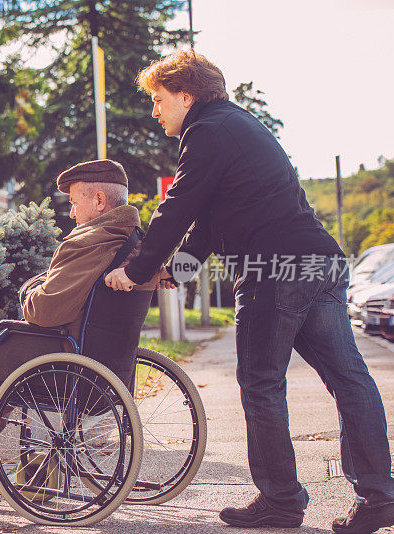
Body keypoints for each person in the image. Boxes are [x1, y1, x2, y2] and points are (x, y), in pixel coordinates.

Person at [105, 49, 394, 533]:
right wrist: (178, 269)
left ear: (185, 94)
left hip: (275, 271)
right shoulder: (238, 126)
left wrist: (136, 270)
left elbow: (177, 207)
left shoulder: (208, 131)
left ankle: (280, 501)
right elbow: (211, 217)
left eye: (158, 99)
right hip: (318, 261)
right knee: (350, 381)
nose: (155, 111)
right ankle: (380, 496)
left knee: (262, 385)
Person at [0, 159, 157, 492]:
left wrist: (29, 288)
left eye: (75, 203)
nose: (72, 214)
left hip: (60, 361)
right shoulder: (133, 242)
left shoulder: (90, 242)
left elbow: (41, 312)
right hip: (99, 368)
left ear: (100, 201)